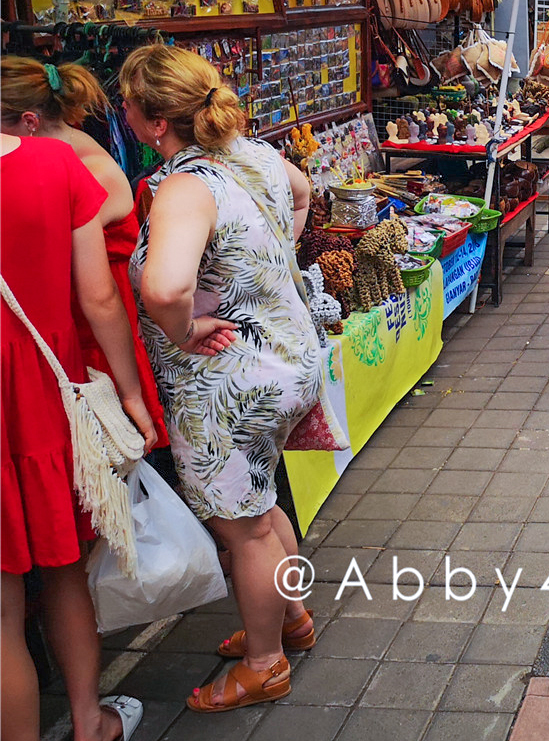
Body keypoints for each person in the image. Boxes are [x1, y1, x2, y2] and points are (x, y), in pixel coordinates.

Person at [122, 44, 323, 710]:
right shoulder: (251, 153)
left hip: (230, 382)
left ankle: (266, 662)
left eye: (126, 103)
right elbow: (301, 194)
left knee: (244, 527)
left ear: (157, 123)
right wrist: (265, 268)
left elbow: (166, 284)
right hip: (283, 355)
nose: (120, 113)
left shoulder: (183, 185)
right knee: (261, 508)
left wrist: (181, 328)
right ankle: (288, 618)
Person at [2, 126, 154, 741]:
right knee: (62, 566)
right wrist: (132, 395)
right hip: (37, 390)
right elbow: (98, 298)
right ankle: (90, 721)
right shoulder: (51, 162)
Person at [0, 58, 169, 449]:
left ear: (29, 123)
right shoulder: (69, 153)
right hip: (84, 323)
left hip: (99, 333)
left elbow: (94, 292)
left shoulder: (87, 169)